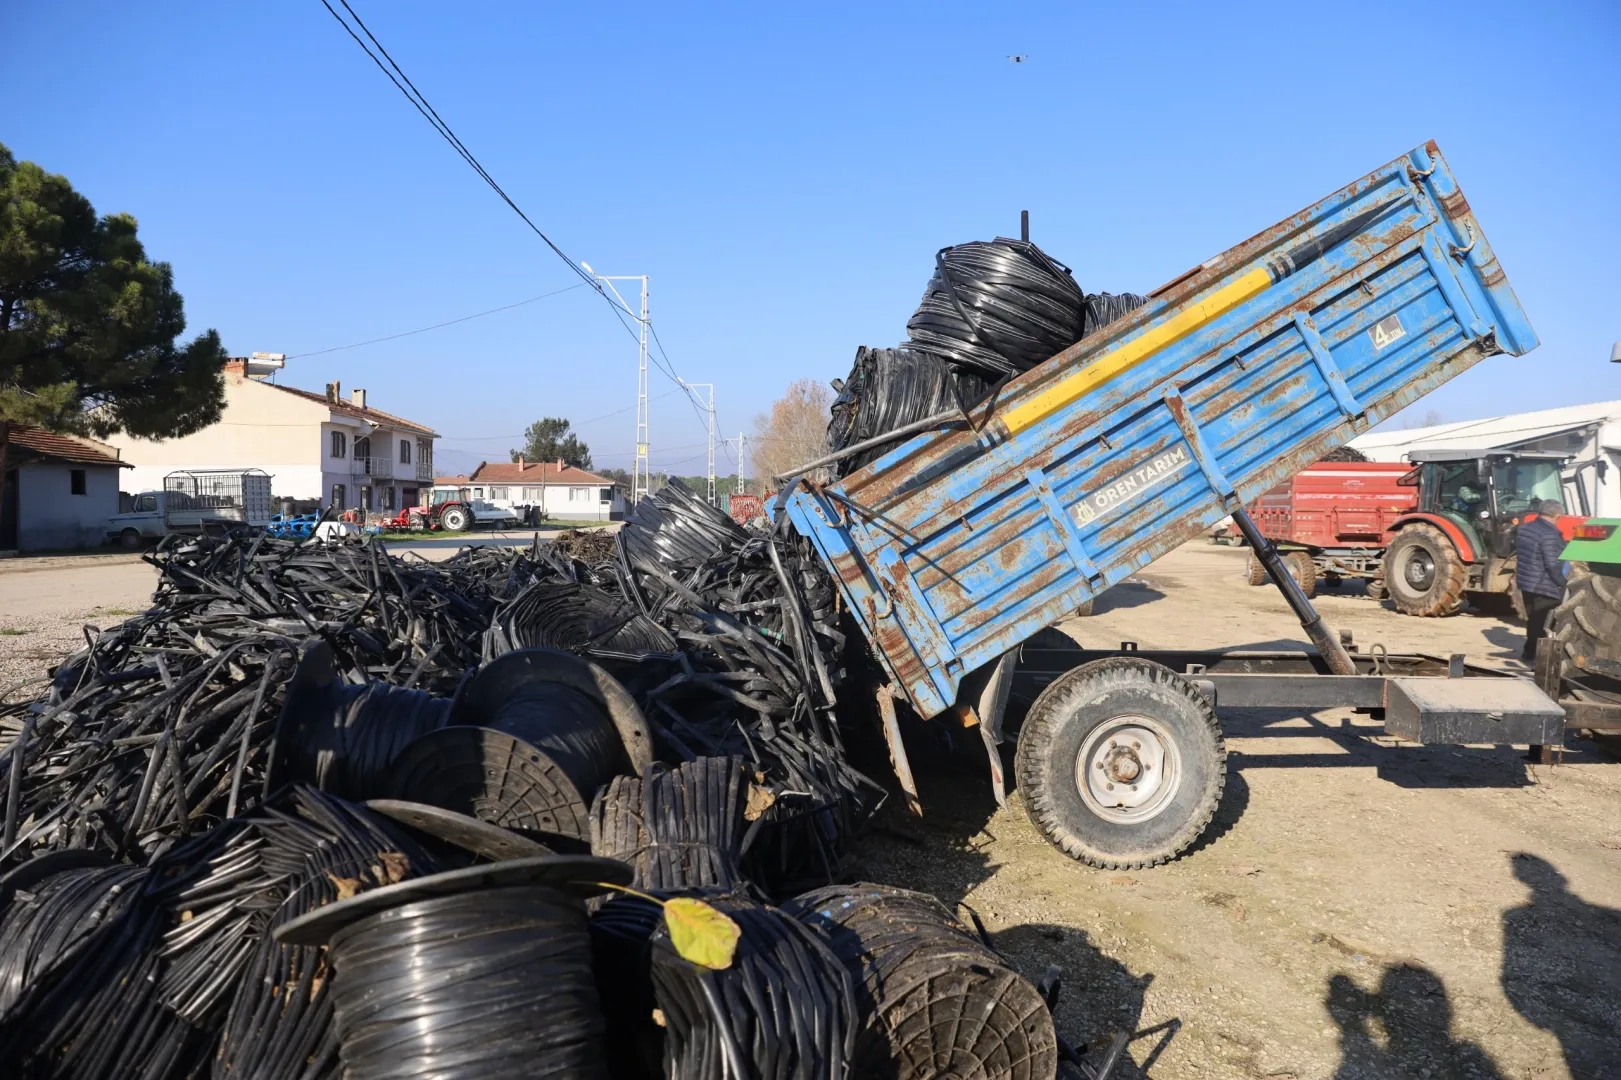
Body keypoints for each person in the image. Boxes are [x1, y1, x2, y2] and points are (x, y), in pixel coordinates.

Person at [1514, 499, 1568, 662]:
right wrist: (1562, 582)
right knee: (1544, 623)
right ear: (1557, 515)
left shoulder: (1524, 529)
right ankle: (1538, 656)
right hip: (1544, 585)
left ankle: (1529, 652)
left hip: (1526, 582)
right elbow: (1552, 564)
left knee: (1534, 620)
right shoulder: (1550, 534)